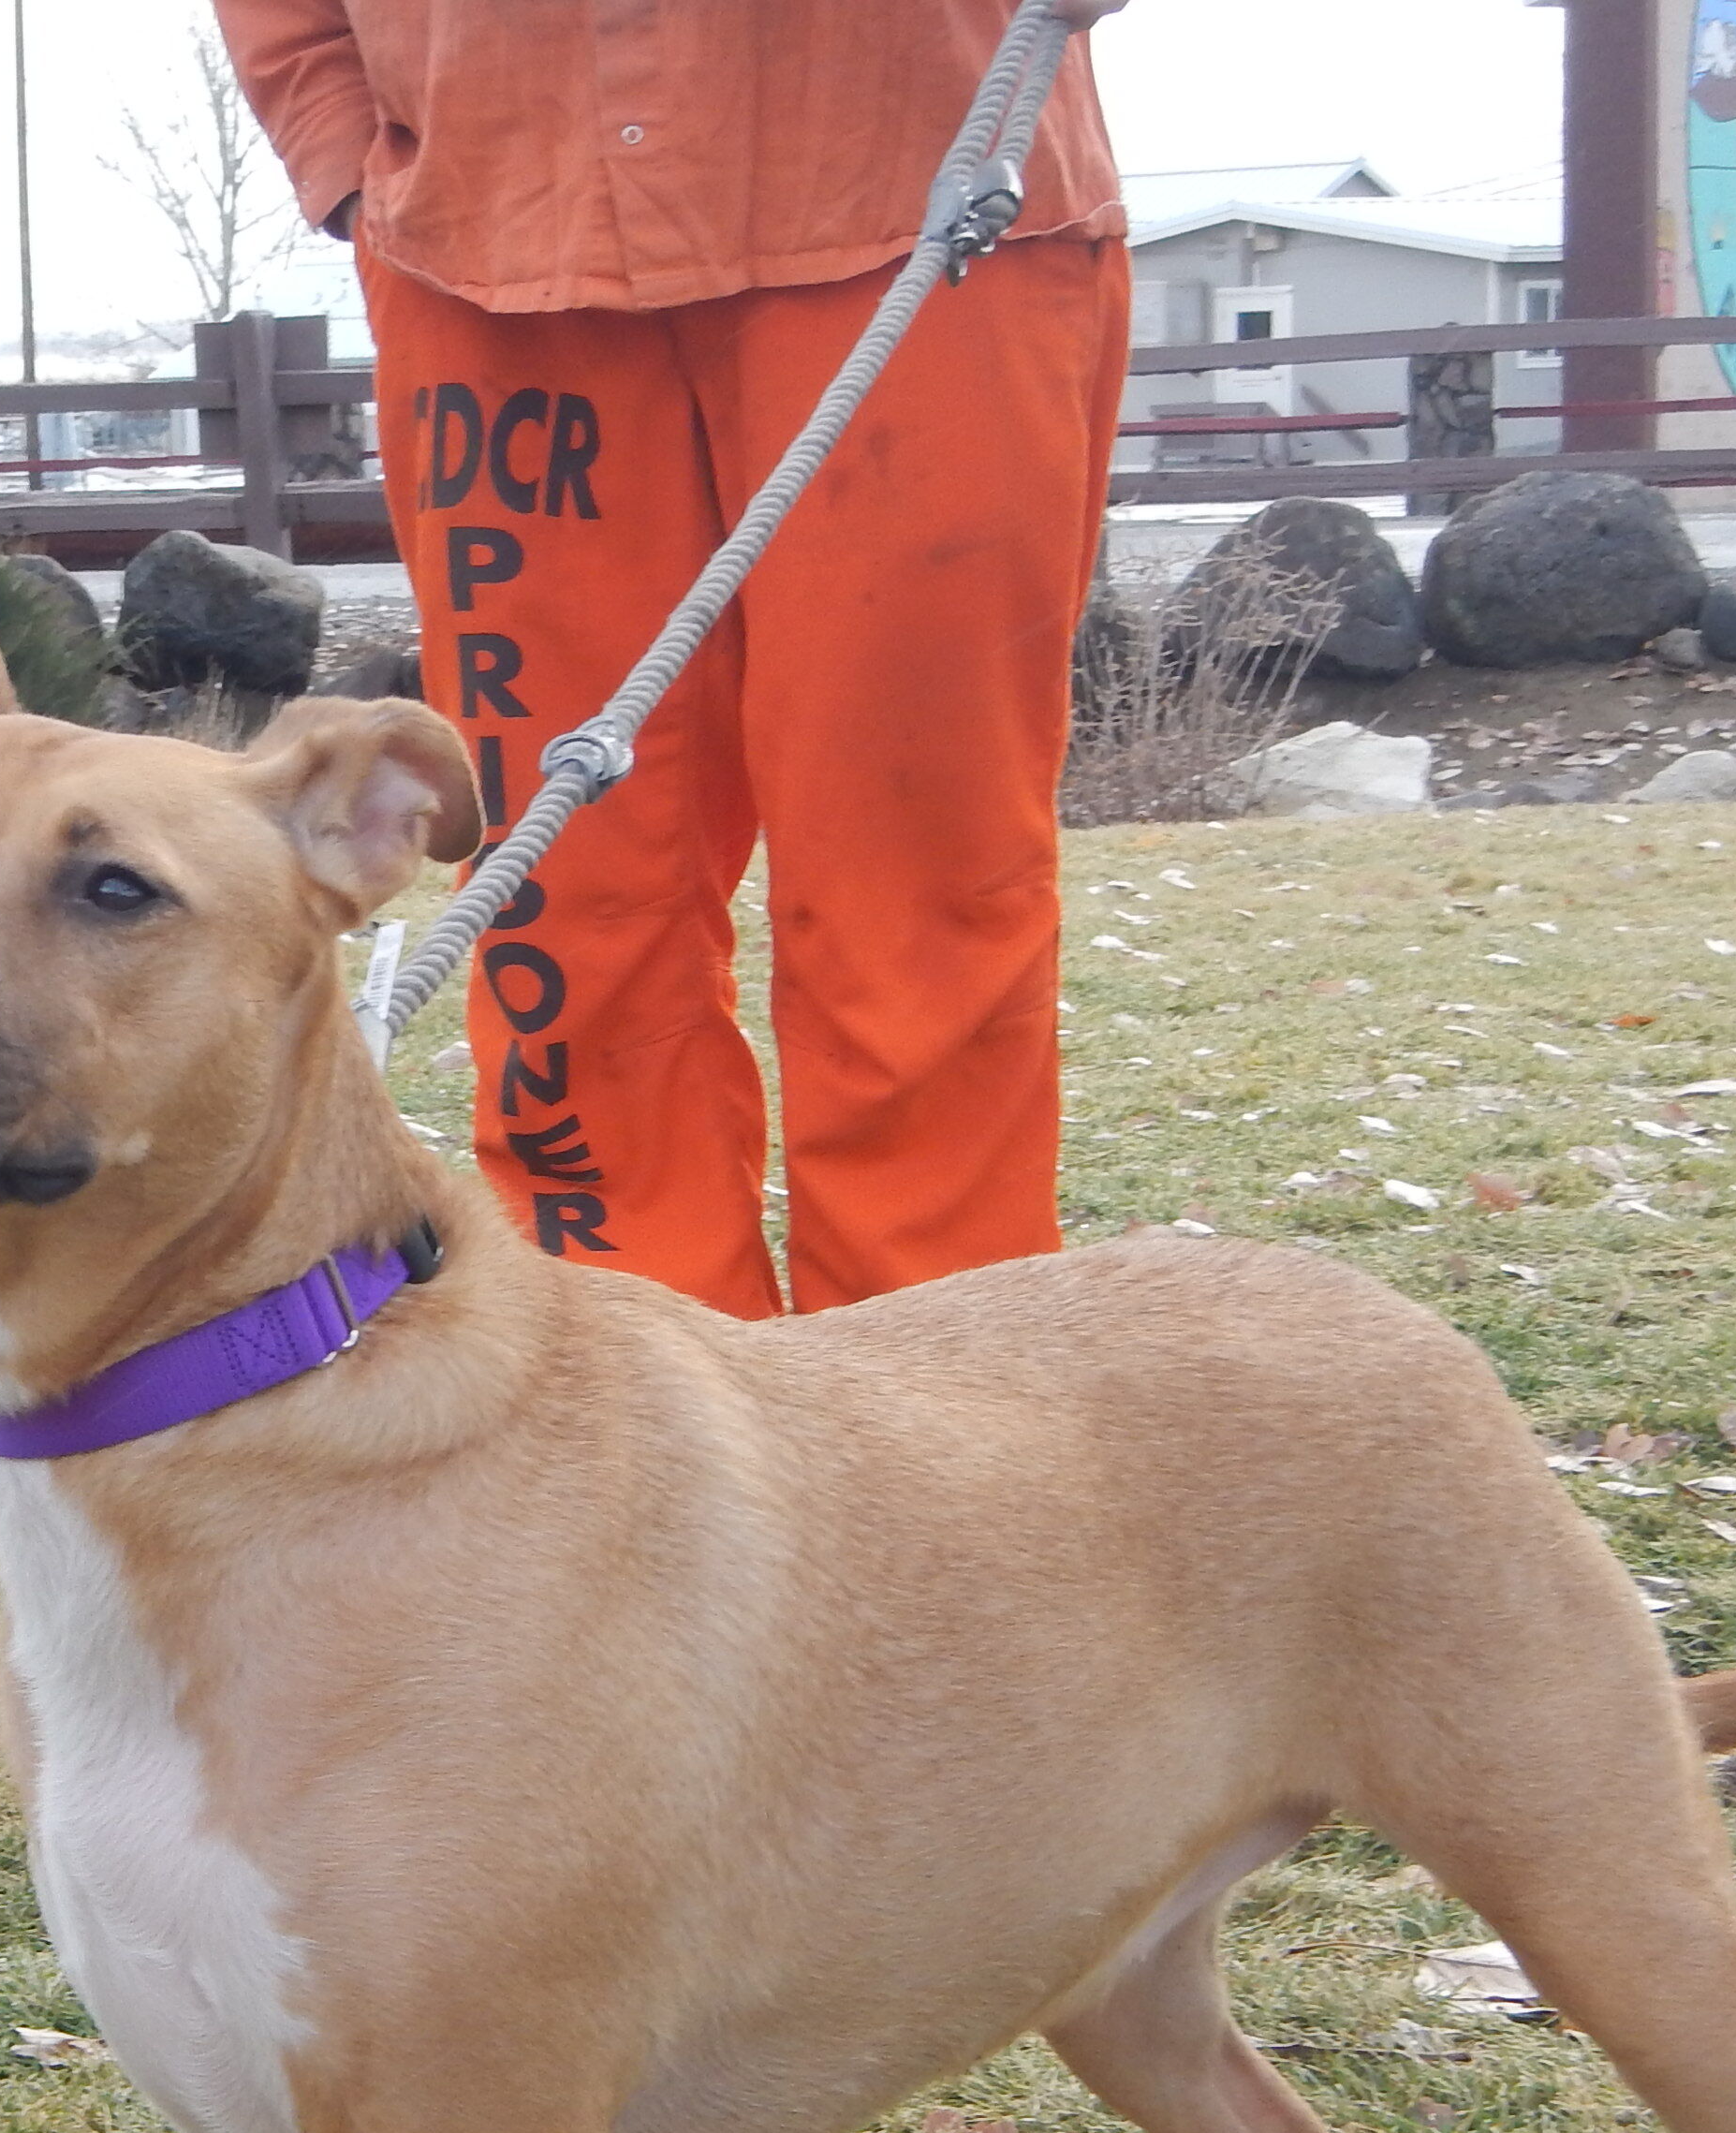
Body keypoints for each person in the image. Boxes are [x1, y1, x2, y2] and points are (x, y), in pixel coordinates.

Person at [213, 0, 1135, 1317]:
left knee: (922, 892)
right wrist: (343, 148)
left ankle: (939, 1414)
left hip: (920, 204)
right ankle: (624, 1412)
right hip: (488, 231)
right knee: (563, 899)